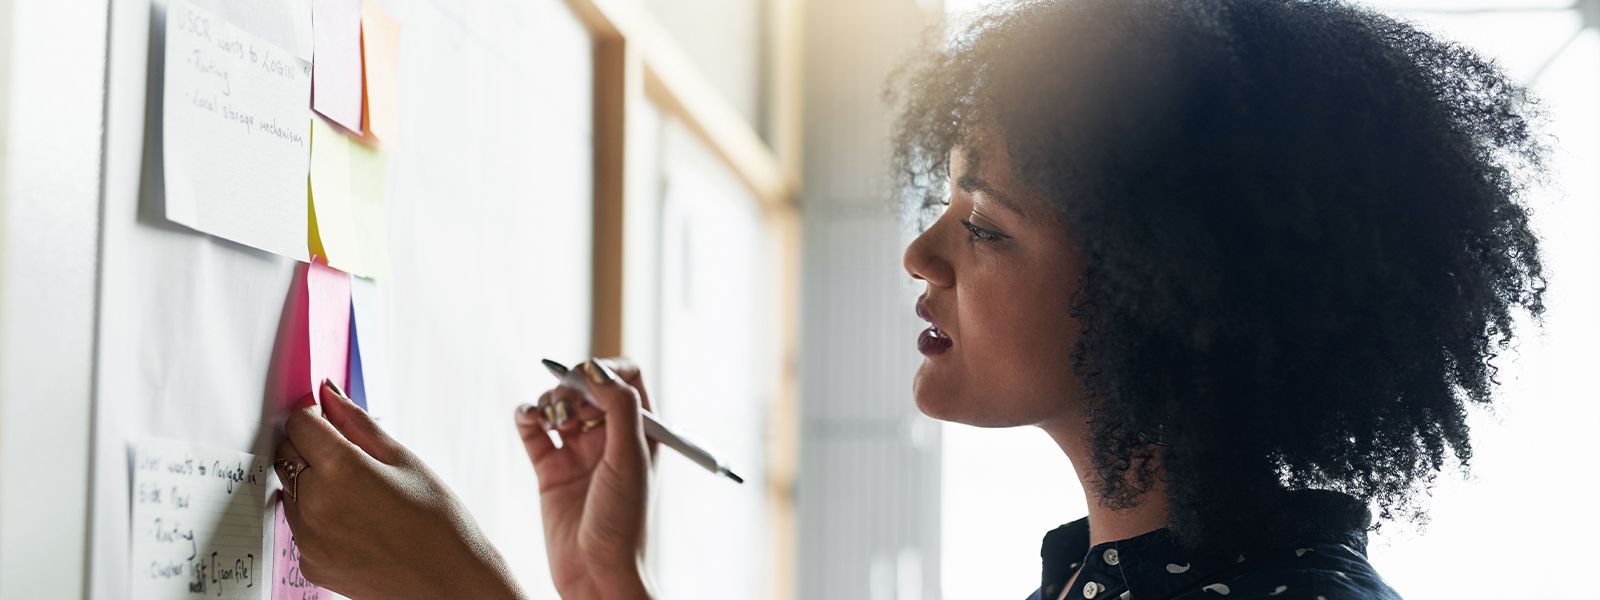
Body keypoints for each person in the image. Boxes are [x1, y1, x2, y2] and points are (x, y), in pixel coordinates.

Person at [269, 0, 1549, 598]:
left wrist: (462, 594)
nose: (919, 254)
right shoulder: (1141, 573)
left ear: (1168, 296)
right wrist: (605, 586)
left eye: (984, 225)